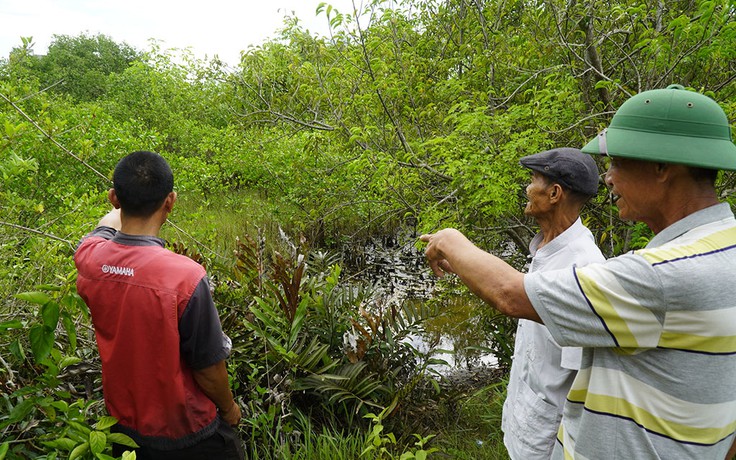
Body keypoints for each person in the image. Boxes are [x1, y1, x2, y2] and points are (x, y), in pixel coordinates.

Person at [420, 85, 736, 459]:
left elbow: (510, 293)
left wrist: (450, 241)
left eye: (617, 161)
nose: (609, 178)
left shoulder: (660, 276)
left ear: (663, 166)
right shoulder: (722, 248)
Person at [74, 151, 244, 460]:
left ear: (113, 197)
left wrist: (120, 208)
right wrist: (229, 409)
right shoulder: (185, 277)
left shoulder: (90, 260)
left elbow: (103, 229)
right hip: (188, 433)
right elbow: (208, 368)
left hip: (124, 430)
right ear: (171, 201)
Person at [501, 148, 604, 459]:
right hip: (523, 418)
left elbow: (581, 377)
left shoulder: (582, 266)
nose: (527, 187)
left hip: (547, 437)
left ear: (555, 193)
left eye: (534, 179)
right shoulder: (547, 249)